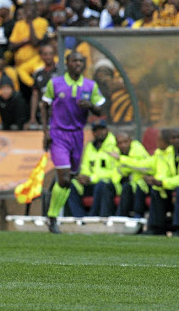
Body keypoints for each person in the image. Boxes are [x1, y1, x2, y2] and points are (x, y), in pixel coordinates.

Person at [41, 51, 105, 233]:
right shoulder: (55, 83)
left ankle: (53, 215)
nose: (77, 64)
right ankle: (52, 218)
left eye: (80, 61)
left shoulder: (90, 86)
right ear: (67, 63)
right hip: (58, 134)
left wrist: (91, 106)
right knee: (64, 177)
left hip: (77, 135)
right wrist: (45, 132)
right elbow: (44, 105)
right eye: (74, 60)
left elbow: (100, 111)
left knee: (68, 180)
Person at [68, 121, 117, 217]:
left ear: (107, 130)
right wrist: (83, 177)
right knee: (70, 186)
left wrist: (92, 178)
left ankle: (92, 216)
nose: (99, 132)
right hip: (90, 183)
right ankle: (80, 218)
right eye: (96, 130)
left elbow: (115, 172)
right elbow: (85, 166)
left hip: (109, 183)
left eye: (101, 129)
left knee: (101, 185)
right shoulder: (90, 147)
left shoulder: (115, 145)